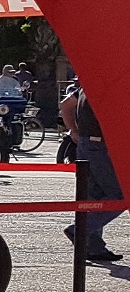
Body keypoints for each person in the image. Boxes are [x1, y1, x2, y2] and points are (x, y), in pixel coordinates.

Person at [60, 77, 121, 263]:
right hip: (101, 146)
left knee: (94, 197)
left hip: (87, 143)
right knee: (120, 196)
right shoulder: (114, 85)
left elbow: (65, 105)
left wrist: (73, 130)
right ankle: (80, 231)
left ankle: (93, 247)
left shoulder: (90, 85)